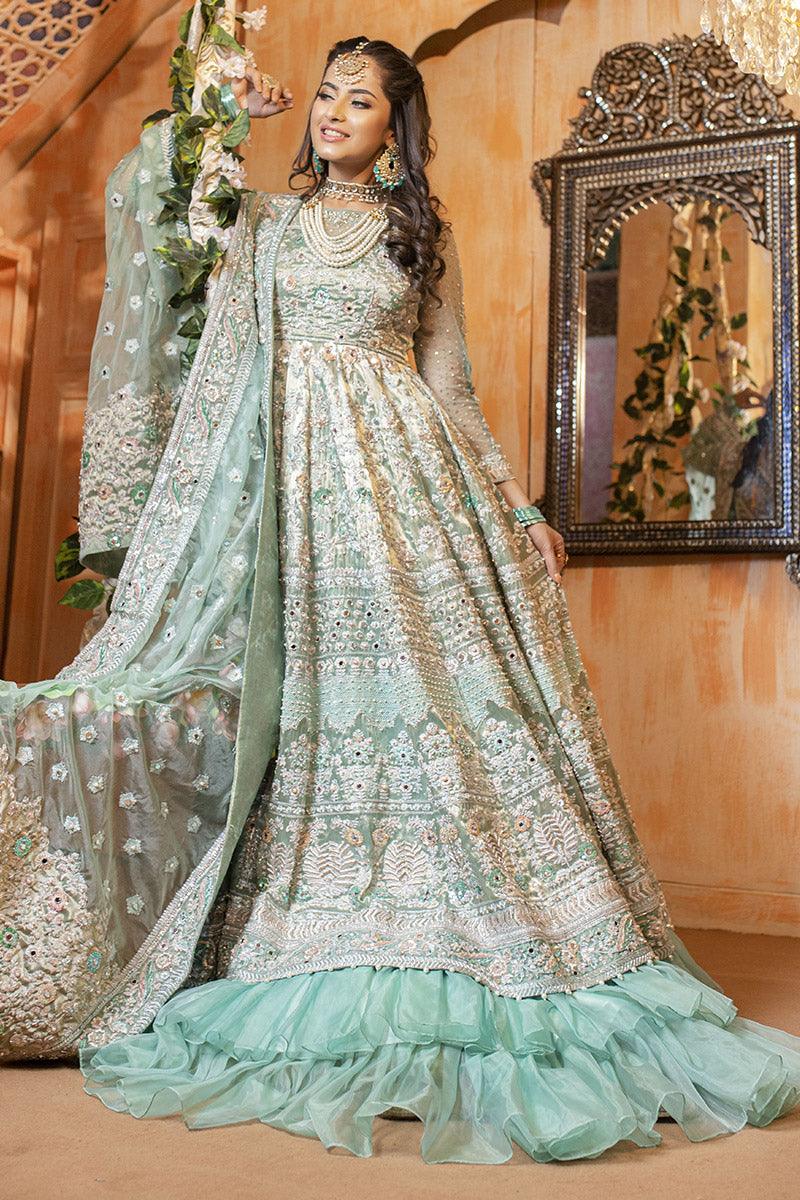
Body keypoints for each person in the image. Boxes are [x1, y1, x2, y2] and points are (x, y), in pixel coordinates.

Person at [2, 36, 800, 1165]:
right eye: (326, 95)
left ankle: (493, 923)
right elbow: (156, 197)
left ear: (395, 127)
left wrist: (516, 508)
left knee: (444, 699)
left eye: (360, 100)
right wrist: (219, 113)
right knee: (327, 712)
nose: (333, 112)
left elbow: (446, 384)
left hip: (410, 485)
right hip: (301, 502)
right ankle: (335, 915)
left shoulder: (420, 233)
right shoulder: (263, 225)